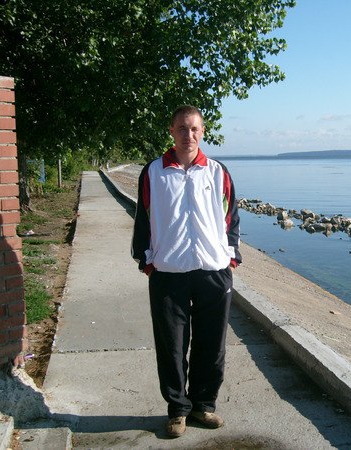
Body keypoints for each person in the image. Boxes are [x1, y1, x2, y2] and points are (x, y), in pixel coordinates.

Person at [131, 105, 241, 438]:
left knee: (212, 344)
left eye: (194, 129)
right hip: (168, 272)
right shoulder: (154, 171)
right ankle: (178, 410)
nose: (188, 135)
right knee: (172, 345)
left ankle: (203, 405)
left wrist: (230, 257)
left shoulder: (217, 172)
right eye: (181, 128)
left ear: (202, 132)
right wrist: (146, 261)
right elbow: (143, 218)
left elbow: (231, 218)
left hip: (213, 271)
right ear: (171, 131)